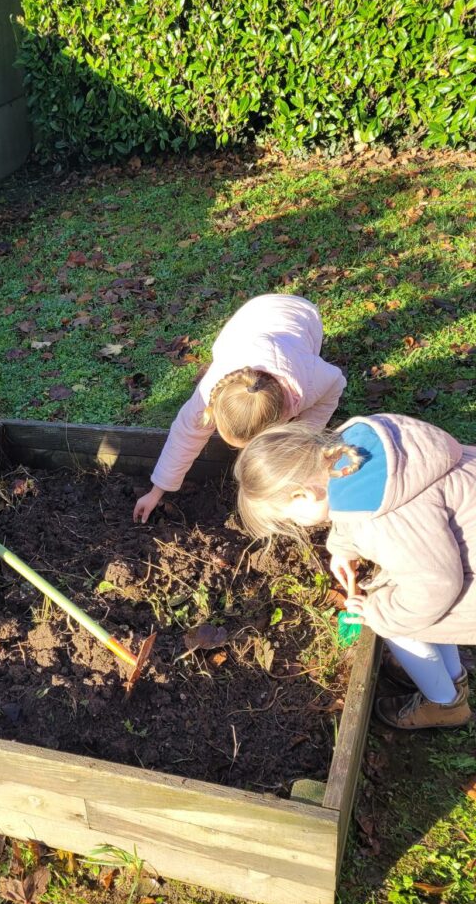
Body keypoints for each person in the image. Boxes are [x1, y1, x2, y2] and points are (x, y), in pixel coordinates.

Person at [234, 414, 475, 731]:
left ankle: (445, 703)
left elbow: (435, 589)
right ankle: (450, 678)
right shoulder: (358, 453)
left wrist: (377, 611)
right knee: (412, 613)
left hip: (457, 580)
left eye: (291, 520)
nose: (295, 526)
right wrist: (343, 548)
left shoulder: (382, 523)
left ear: (302, 495)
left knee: (397, 623)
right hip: (459, 546)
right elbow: (357, 502)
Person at [133, 294, 346, 522]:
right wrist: (157, 490)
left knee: (302, 353)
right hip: (248, 319)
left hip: (303, 316)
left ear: (278, 418)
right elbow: (186, 434)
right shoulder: (210, 391)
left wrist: (302, 433)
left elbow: (335, 384)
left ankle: (298, 348)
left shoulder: (312, 381)